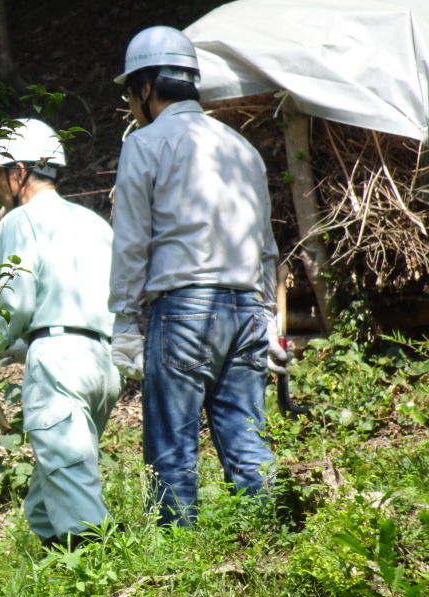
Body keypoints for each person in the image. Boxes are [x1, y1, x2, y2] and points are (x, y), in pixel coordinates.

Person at [108, 26, 288, 526]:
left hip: (184, 309)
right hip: (247, 308)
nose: (129, 102)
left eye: (130, 91)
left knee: (171, 446)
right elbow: (265, 243)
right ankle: (267, 540)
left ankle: (177, 561)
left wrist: (124, 320)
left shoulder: (144, 145)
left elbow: (131, 242)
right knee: (245, 436)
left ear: (145, 87)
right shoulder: (240, 148)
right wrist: (269, 317)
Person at [0, 118, 123, 547]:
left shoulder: (18, 222)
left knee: (74, 497)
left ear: (18, 172)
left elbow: (15, 302)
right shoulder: (95, 224)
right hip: (104, 365)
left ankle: (102, 575)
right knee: (46, 502)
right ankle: (62, 569)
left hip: (59, 367)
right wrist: (20, 346)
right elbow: (81, 306)